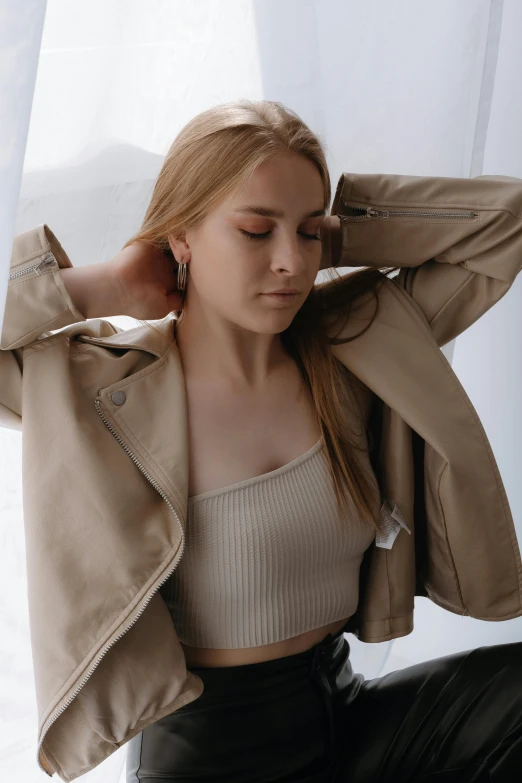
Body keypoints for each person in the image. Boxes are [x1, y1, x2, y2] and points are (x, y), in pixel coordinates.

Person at [2, 99, 522, 782]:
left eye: (308, 233)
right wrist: (104, 285)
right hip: (213, 754)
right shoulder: (99, 390)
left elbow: (504, 224)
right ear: (181, 236)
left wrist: (334, 234)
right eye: (254, 230)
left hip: (347, 712)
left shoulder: (355, 345)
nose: (289, 262)